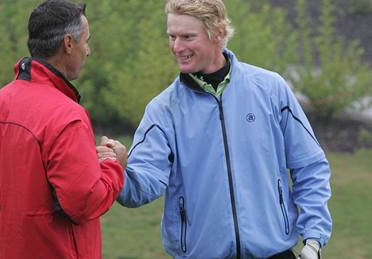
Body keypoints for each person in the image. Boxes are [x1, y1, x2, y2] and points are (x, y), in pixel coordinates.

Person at [114, 0, 332, 258]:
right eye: (172, 36)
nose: (176, 47)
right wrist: (120, 170)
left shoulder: (271, 89)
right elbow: (140, 187)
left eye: (187, 37)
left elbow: (310, 166)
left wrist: (313, 239)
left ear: (217, 33)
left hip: (275, 253)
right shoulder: (163, 109)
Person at [0, 1, 126, 258]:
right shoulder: (67, 116)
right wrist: (114, 165)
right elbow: (84, 202)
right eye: (86, 41)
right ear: (68, 43)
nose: (87, 51)